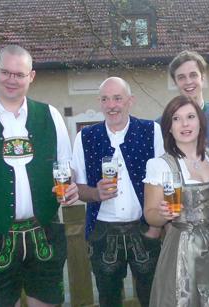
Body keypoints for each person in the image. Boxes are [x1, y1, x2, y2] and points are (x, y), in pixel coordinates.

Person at [0, 45, 78, 307]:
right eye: (6, 72)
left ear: (31, 76)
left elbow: (65, 171)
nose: (12, 79)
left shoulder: (50, 116)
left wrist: (71, 189)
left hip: (44, 231)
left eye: (19, 74)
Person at [71, 77, 164, 306]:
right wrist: (95, 193)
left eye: (117, 98)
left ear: (130, 101)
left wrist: (155, 227)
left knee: (152, 296)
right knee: (108, 299)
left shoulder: (151, 131)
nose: (111, 105)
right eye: (105, 99)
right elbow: (79, 188)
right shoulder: (85, 137)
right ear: (100, 102)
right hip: (102, 231)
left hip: (143, 227)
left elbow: (164, 181)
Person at [144, 95, 209, 306]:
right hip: (183, 248)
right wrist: (163, 214)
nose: (184, 124)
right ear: (168, 127)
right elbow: (150, 214)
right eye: (176, 119)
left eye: (190, 117)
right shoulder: (160, 165)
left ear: (200, 122)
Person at [167, 50, 209, 164]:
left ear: (202, 78)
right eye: (181, 77)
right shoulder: (164, 124)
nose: (188, 81)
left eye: (193, 75)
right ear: (175, 82)